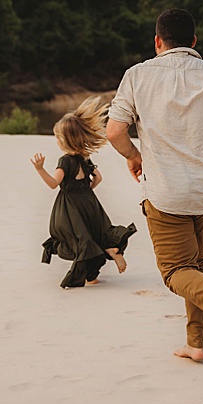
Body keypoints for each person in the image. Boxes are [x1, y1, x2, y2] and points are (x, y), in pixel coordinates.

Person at [106, 8, 203, 362]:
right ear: (193, 42)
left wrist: (133, 156)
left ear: (157, 42)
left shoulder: (137, 75)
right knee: (197, 264)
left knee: (176, 271)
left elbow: (114, 130)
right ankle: (195, 344)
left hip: (165, 194)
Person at [32, 96, 136, 289]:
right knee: (94, 234)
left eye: (58, 137)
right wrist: (85, 193)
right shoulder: (84, 159)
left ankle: (88, 275)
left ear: (66, 140)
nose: (57, 141)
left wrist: (40, 169)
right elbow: (98, 178)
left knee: (76, 239)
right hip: (90, 202)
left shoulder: (65, 161)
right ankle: (97, 269)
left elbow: (53, 183)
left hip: (70, 207)